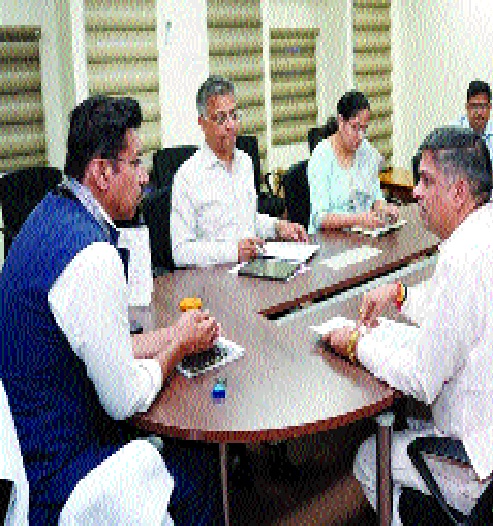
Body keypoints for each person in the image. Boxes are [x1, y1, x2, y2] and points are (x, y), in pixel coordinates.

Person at [0, 95, 224, 524]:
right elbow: (123, 400)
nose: (145, 177)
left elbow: (95, 345)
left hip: (30, 451)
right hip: (63, 478)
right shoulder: (91, 256)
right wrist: (178, 347)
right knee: (198, 466)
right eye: (135, 163)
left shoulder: (49, 212)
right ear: (102, 172)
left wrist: (174, 332)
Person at [323, 126, 493, 523]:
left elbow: (423, 379)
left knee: (369, 457)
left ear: (458, 192)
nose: (416, 192)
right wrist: (399, 295)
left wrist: (356, 344)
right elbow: (453, 311)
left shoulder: (462, 257)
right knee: (410, 413)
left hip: (486, 468)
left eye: (426, 181)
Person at [171, 75, 307, 267]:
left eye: (234, 115)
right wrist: (233, 251)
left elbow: (246, 221)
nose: (231, 125)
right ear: (202, 123)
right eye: (221, 118)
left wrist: (278, 227)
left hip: (251, 268)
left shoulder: (245, 162)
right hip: (214, 277)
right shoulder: (187, 176)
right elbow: (180, 252)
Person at [307, 90, 399, 234]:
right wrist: (358, 219)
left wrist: (384, 209)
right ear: (341, 121)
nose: (360, 136)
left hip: (361, 236)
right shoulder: (321, 156)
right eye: (355, 127)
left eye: (364, 129)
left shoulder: (366, 151)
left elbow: (375, 196)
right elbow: (320, 218)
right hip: (328, 240)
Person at [454, 79, 493, 185]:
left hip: (491, 192)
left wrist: (479, 183)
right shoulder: (454, 132)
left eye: (483, 106)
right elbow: (452, 175)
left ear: (490, 108)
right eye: (474, 106)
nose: (479, 112)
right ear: (467, 107)